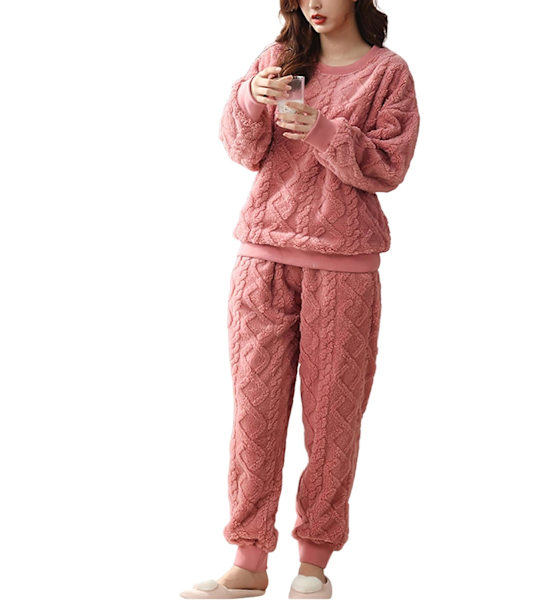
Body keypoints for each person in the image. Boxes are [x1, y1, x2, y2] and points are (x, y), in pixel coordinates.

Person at [180, 0, 420, 597]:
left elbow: (389, 166)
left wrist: (322, 129)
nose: (314, 3)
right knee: (254, 413)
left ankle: (313, 565)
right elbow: (243, 150)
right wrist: (248, 97)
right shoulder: (279, 59)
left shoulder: (387, 73)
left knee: (333, 417)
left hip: (344, 265)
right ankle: (247, 561)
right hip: (262, 257)